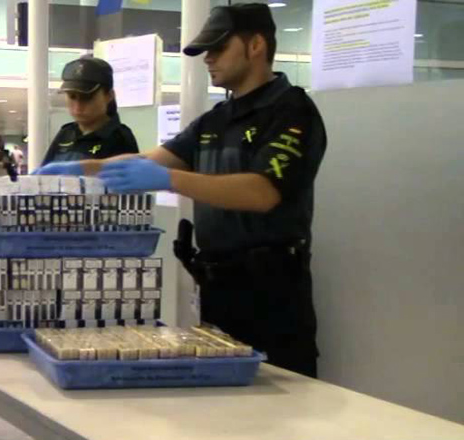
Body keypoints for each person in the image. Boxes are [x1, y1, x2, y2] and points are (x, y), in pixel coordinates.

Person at [35, 3, 327, 378]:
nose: (208, 59)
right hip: (217, 287)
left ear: (256, 46)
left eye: (218, 48)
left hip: (273, 292)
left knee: (283, 404)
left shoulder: (292, 111)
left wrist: (172, 181)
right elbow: (152, 158)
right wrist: (81, 169)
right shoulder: (215, 120)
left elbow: (263, 192)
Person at [41, 57, 140, 166]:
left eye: (87, 97)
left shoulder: (120, 138)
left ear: (109, 96)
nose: (78, 106)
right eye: (72, 96)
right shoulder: (66, 133)